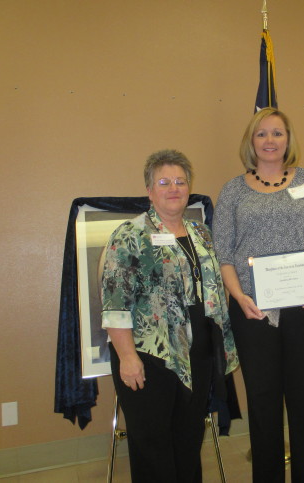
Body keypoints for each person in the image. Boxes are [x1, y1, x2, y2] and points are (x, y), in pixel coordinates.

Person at [213, 107, 304, 482]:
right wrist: (239, 297)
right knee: (263, 402)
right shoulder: (233, 190)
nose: (270, 141)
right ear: (251, 142)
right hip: (254, 310)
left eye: (277, 133)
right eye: (262, 134)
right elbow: (223, 252)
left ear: (289, 139)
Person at [101, 149, 238, 482]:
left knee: (188, 443)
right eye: (164, 182)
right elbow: (115, 303)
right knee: (153, 449)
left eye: (180, 181)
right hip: (150, 358)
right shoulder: (130, 235)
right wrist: (127, 357)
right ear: (150, 191)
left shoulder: (201, 234)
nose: (174, 188)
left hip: (198, 355)